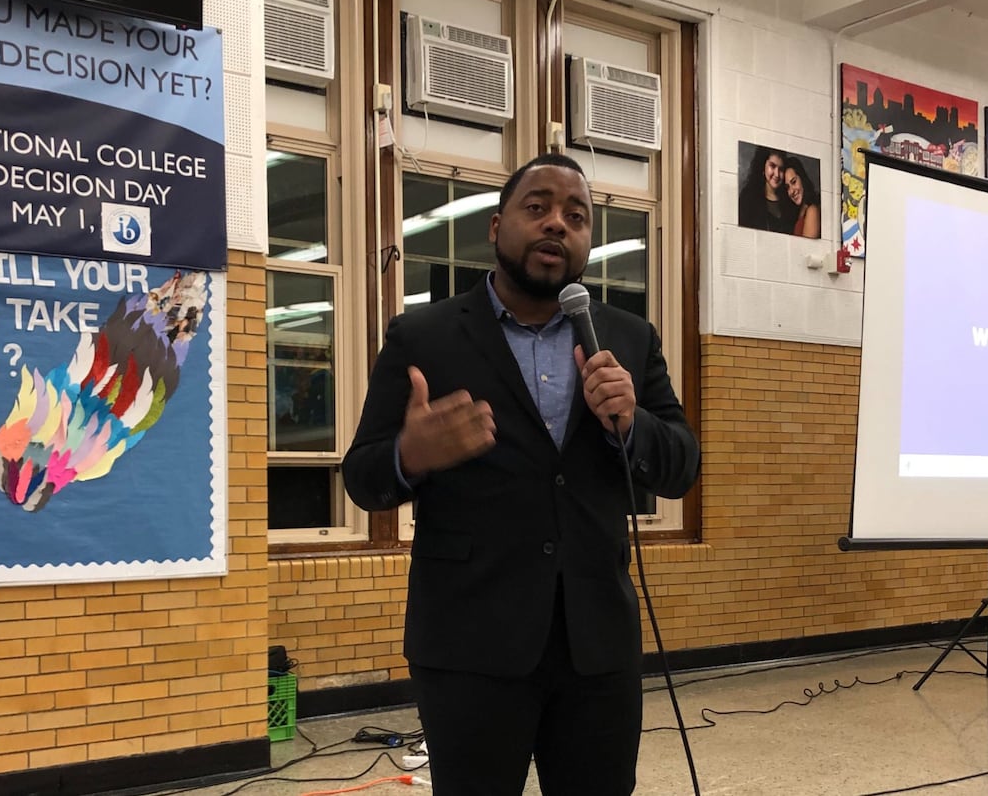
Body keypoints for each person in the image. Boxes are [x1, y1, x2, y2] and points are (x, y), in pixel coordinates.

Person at [343, 153, 700, 796]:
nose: (557, 225)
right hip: (469, 646)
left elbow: (681, 467)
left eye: (576, 216)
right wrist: (410, 455)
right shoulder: (423, 336)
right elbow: (363, 477)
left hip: (596, 649)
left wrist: (632, 424)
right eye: (536, 208)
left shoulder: (629, 337)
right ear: (496, 225)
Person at [736, 145, 797, 234]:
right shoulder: (748, 198)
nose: (777, 174)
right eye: (772, 166)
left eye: (781, 169)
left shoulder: (790, 199)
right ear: (762, 166)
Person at [783, 155, 821, 239]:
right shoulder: (797, 212)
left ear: (802, 179)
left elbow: (808, 250)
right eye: (787, 187)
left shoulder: (812, 210)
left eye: (794, 182)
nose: (791, 191)